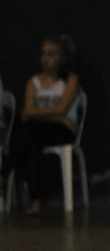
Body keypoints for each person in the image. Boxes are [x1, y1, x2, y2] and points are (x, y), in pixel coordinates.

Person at [6, 35, 82, 216]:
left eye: (51, 54)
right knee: (28, 137)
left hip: (63, 130)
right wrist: (53, 114)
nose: (46, 58)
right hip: (39, 130)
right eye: (43, 54)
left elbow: (62, 109)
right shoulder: (34, 82)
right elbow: (26, 113)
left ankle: (6, 174)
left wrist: (37, 113)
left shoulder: (70, 80)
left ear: (62, 58)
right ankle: (35, 197)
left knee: (28, 132)